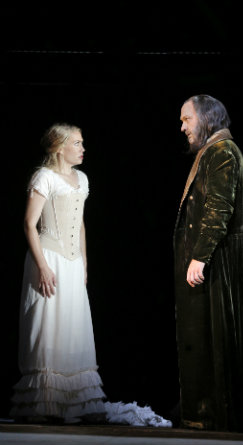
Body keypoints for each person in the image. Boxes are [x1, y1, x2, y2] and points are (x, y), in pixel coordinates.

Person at [10, 123, 172, 427]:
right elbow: (30, 224)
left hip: (71, 263)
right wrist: (43, 265)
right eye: (77, 143)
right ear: (59, 147)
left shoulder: (82, 179)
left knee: (73, 327)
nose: (83, 148)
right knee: (48, 326)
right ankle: (44, 404)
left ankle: (75, 402)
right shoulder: (43, 177)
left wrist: (84, 262)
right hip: (49, 258)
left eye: (82, 143)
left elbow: (80, 223)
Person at [173, 95, 243, 432]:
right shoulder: (216, 151)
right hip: (221, 256)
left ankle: (219, 413)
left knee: (221, 337)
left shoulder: (222, 152)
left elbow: (218, 209)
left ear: (206, 119)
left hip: (224, 259)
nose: (182, 127)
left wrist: (199, 256)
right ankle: (210, 413)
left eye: (186, 119)